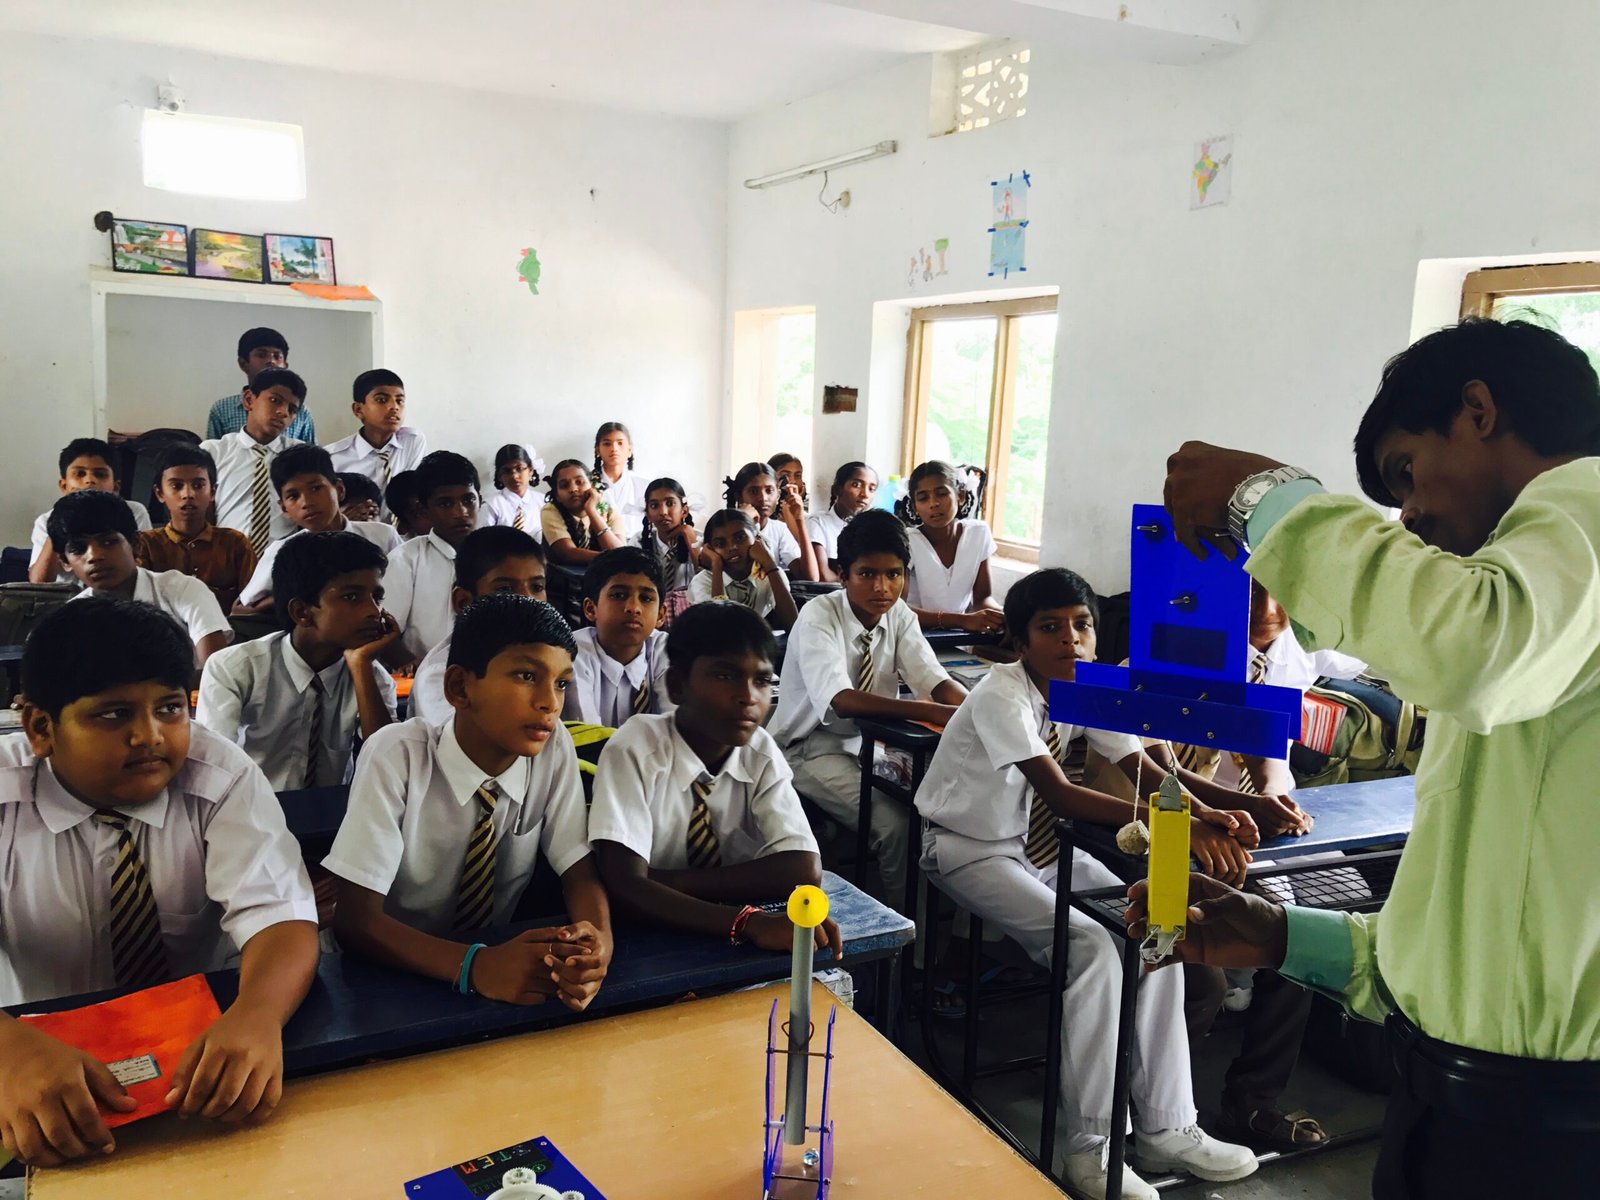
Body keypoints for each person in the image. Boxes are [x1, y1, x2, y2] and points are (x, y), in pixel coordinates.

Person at [1132, 317, 1600, 1199]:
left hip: (1550, 1130)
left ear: (1478, 410)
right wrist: (1285, 935)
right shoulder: (1533, 620)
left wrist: (1266, 498)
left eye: (1405, 472)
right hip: (1470, 1103)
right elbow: (1501, 926)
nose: (1408, 514)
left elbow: (1470, 650)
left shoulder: (1587, 509)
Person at [916, 567, 1258, 1197]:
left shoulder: (1090, 686)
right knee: (1095, 947)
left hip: (1043, 851)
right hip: (971, 849)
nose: (1069, 639)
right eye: (1050, 627)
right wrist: (1178, 821)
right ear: (1021, 641)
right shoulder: (1001, 695)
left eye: (1081, 625)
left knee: (1156, 929)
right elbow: (1062, 795)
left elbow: (1144, 767)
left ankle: (1166, 1126)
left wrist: (1224, 808)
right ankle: (1090, 1149)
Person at [0, 598, 318, 1165]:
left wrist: (257, 1014)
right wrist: (8, 1051)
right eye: (113, 715)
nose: (149, 736)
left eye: (170, 708)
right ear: (41, 728)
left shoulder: (219, 776)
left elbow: (281, 915)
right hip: (41, 1048)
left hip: (205, 1045)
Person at [324, 594, 612, 1010]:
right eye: (526, 676)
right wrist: (475, 965)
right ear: (459, 687)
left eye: (561, 683)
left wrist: (597, 944)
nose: (550, 702)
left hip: (494, 972)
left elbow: (578, 870)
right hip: (386, 973)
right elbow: (356, 920)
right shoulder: (398, 756)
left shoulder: (552, 748)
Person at [590, 601, 842, 956]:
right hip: (646, 942)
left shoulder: (760, 751)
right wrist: (747, 922)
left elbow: (802, 869)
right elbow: (624, 889)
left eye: (762, 680)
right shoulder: (636, 746)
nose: (748, 697)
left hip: (715, 938)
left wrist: (661, 882)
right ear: (677, 685)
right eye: (725, 676)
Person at [769, 509, 967, 903]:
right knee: (896, 827)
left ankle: (947, 923)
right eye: (867, 574)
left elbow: (934, 680)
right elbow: (842, 701)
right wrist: (931, 712)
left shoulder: (898, 615)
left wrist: (974, 709)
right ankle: (903, 928)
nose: (882, 587)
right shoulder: (819, 615)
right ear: (843, 575)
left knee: (946, 810)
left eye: (894, 574)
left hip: (871, 744)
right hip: (808, 748)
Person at [196, 531, 400, 791]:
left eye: (377, 598)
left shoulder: (371, 676)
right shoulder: (236, 668)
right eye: (352, 597)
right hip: (248, 807)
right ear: (302, 612)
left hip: (334, 812)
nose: (374, 611)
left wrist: (361, 665)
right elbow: (213, 767)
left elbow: (388, 763)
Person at [54, 491, 232, 673]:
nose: (94, 556)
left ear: (135, 544)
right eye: (79, 549)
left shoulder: (182, 590)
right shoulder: (71, 618)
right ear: (65, 561)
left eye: (108, 542)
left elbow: (215, 675)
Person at [234, 445, 403, 610]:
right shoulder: (281, 551)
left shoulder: (382, 536)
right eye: (293, 496)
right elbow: (241, 609)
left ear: (339, 490)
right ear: (284, 508)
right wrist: (297, 596)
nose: (306, 502)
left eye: (315, 488)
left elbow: (405, 585)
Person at [411, 527, 547, 727]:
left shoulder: (546, 655)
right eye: (505, 589)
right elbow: (473, 741)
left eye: (537, 587)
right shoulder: (440, 674)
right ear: (463, 602)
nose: (528, 600)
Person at [385, 451, 483, 664]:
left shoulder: (499, 553)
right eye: (445, 504)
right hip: (424, 673)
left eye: (468, 500)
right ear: (424, 510)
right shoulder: (405, 560)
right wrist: (414, 667)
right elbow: (385, 632)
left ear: (480, 500)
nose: (461, 512)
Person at [199, 366, 308, 556]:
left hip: (282, 558)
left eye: (292, 409)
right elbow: (201, 511)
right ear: (249, 400)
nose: (283, 412)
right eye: (275, 400)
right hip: (223, 556)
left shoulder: (300, 454)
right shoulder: (214, 451)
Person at [134, 446, 257, 614]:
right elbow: (140, 606)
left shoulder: (234, 543)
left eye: (198, 485)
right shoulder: (145, 545)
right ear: (159, 493)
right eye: (176, 486)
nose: (188, 494)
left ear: (212, 492)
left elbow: (251, 602)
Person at [563, 547, 672, 728]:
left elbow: (676, 727)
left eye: (646, 598)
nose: (633, 608)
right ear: (590, 609)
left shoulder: (665, 649)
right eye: (618, 595)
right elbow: (587, 735)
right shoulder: (573, 653)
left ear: (660, 615)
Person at [28, 437, 153, 584]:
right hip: (67, 596)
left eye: (100, 474)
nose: (89, 480)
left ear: (115, 487)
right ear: (64, 486)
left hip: (119, 593)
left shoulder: (133, 512)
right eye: (80, 474)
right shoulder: (46, 521)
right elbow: (39, 584)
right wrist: (59, 522)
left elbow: (143, 568)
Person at [902, 460, 1004, 634]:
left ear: (960, 496)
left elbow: (982, 599)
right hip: (912, 635)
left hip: (957, 637)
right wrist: (960, 620)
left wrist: (1003, 616)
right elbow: (897, 609)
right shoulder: (906, 541)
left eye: (941, 494)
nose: (933, 504)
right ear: (915, 507)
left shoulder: (978, 534)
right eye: (923, 498)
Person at [324, 369, 426, 509]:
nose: (394, 407)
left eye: (399, 401)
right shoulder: (332, 458)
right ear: (358, 410)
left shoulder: (412, 441)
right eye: (382, 400)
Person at [687, 508, 799, 630]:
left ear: (757, 539)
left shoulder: (769, 574)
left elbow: (792, 624)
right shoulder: (702, 581)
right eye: (720, 544)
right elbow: (720, 631)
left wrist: (770, 564)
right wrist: (716, 567)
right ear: (710, 550)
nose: (732, 547)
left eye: (740, 538)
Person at [204, 327, 316, 443]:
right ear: (243, 363)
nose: (271, 361)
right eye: (261, 355)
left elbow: (312, 452)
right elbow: (212, 452)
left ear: (285, 365)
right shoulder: (222, 409)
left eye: (277, 356)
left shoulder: (302, 412)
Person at [723, 460, 820, 582]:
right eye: (753, 491)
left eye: (769, 491)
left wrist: (799, 519)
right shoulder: (721, 526)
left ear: (778, 495)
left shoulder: (779, 530)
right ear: (739, 497)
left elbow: (810, 577)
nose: (763, 498)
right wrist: (741, 522)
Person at [542, 458, 623, 566]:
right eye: (564, 485)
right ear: (557, 496)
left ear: (592, 486)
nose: (573, 489)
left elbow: (620, 553)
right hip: (563, 576)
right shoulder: (550, 510)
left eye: (579, 482)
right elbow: (567, 553)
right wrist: (610, 558)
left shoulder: (609, 511)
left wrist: (591, 511)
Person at [638, 477, 697, 626]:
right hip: (651, 616)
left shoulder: (700, 540)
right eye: (654, 505)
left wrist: (692, 543)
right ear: (648, 513)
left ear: (684, 511)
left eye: (670, 503)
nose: (663, 512)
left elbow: (706, 578)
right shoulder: (639, 541)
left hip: (691, 617)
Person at [807, 461, 878, 583]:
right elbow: (823, 575)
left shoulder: (873, 529)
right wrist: (857, 587)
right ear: (837, 489)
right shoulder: (818, 523)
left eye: (871, 489)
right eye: (856, 485)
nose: (865, 494)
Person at [481, 443, 545, 533]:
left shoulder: (543, 502)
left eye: (519, 469)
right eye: (507, 471)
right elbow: (483, 539)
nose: (514, 476)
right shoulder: (491, 506)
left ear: (530, 470)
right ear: (499, 476)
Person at [593, 421, 646, 527]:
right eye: (607, 444)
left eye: (620, 443)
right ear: (598, 450)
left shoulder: (643, 485)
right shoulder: (588, 484)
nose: (614, 448)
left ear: (629, 450)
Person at [384, 470, 431, 540]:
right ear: (406, 527)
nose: (435, 516)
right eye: (421, 513)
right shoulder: (403, 546)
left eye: (443, 504)